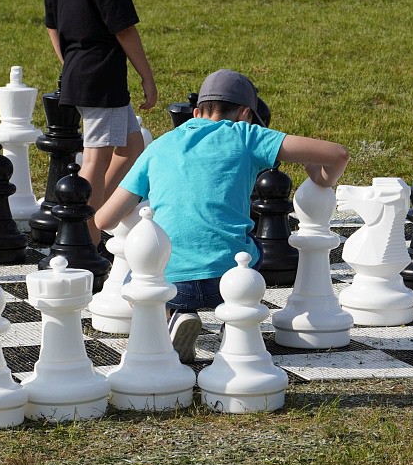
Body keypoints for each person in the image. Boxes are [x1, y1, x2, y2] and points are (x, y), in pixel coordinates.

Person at [94, 68, 349, 362]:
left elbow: (105, 220)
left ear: (196, 110)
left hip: (171, 284)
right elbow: (338, 154)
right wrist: (320, 178)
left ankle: (170, 317)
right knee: (250, 247)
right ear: (244, 113)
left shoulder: (159, 146)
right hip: (230, 279)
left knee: (138, 273)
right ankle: (235, 324)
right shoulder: (246, 135)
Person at [43, 0, 157, 246]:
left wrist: (70, 63)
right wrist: (147, 76)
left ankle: (94, 221)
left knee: (133, 146)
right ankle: (82, 238)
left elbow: (52, 25)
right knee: (96, 159)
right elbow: (124, 30)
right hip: (103, 75)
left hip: (78, 70)